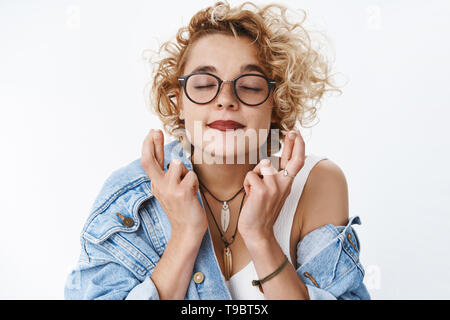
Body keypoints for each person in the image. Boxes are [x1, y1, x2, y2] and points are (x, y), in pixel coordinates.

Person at [65, 1, 370, 300]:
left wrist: (261, 237)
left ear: (275, 104)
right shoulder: (130, 198)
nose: (225, 99)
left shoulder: (317, 184)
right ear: (178, 102)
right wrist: (185, 234)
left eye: (250, 86)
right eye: (203, 85)